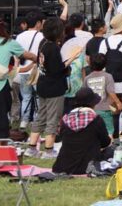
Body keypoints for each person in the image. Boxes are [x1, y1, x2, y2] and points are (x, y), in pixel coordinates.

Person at [25, 17, 82, 158]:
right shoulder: (54, 48)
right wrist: (73, 57)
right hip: (54, 88)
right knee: (53, 118)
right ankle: (49, 150)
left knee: (41, 116)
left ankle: (32, 148)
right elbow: (59, 69)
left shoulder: (43, 43)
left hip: (43, 85)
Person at [52, 87, 114, 175]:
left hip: (64, 165)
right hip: (89, 164)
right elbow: (106, 143)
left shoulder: (65, 120)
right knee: (111, 151)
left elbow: (62, 137)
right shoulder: (96, 119)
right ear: (93, 104)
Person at [0, 22, 36, 139]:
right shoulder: (9, 43)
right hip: (0, 86)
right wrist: (38, 58)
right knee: (0, 116)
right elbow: (28, 55)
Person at [14, 10, 45, 130]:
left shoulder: (20, 36)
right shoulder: (42, 36)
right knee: (38, 97)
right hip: (37, 71)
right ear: (37, 23)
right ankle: (37, 121)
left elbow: (16, 55)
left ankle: (24, 121)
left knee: (25, 97)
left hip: (23, 71)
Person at [84, 53, 122, 136]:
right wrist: (118, 102)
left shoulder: (87, 78)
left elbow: (85, 93)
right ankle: (108, 146)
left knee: (94, 130)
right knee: (109, 130)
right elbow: (110, 91)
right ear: (105, 64)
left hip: (92, 109)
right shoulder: (108, 76)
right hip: (105, 109)